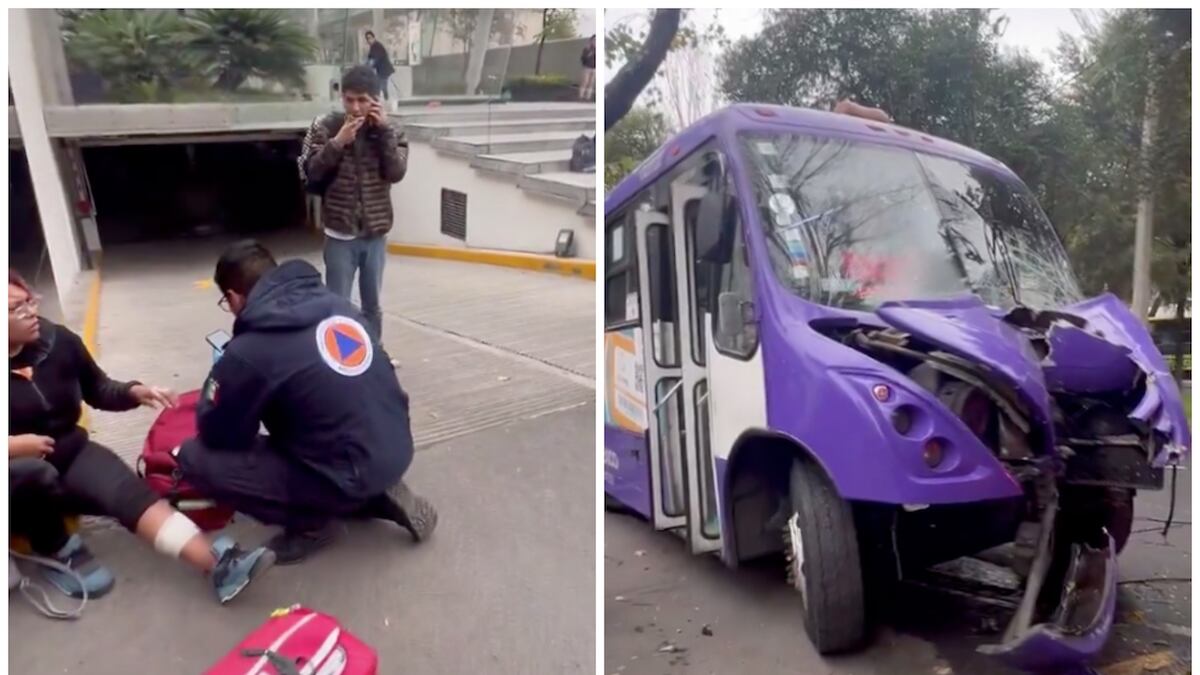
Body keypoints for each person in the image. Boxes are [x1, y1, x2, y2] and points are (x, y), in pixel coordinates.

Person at [7, 270, 274, 603]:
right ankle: (58, 549)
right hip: (16, 482)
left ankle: (218, 566)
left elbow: (98, 388)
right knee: (32, 473)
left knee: (130, 495)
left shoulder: (57, 341)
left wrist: (135, 392)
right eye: (16, 308)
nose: (31, 313)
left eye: (30, 301)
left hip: (68, 453)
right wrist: (13, 446)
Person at [177, 241, 437, 565]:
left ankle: (313, 523)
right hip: (395, 444)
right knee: (314, 412)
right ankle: (374, 492)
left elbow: (223, 435)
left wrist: (222, 380)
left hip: (346, 466)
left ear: (233, 297)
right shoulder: (341, 307)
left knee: (194, 458)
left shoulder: (251, 349)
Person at [300, 65, 408, 359]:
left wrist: (383, 132)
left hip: (375, 232)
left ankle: (374, 356)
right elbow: (313, 172)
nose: (356, 107)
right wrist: (338, 143)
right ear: (342, 97)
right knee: (338, 304)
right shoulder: (327, 126)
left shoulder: (392, 129)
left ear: (376, 99)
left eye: (363, 100)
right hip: (340, 233)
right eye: (350, 100)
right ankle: (341, 360)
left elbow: (396, 172)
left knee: (372, 304)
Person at [364, 30, 395, 105]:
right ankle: (386, 102)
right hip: (382, 70)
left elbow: (374, 59)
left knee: (379, 86)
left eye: (370, 38)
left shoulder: (377, 46)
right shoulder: (373, 47)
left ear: (374, 37)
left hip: (384, 70)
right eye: (367, 39)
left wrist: (368, 65)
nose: (369, 40)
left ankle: (376, 103)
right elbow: (370, 59)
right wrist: (366, 65)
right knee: (383, 87)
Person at [580, 35, 596, 101]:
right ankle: (581, 96)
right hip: (587, 67)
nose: (595, 42)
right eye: (594, 40)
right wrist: (589, 54)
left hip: (594, 68)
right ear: (591, 41)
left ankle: (588, 97)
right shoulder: (587, 49)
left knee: (591, 83)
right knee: (585, 82)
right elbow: (582, 58)